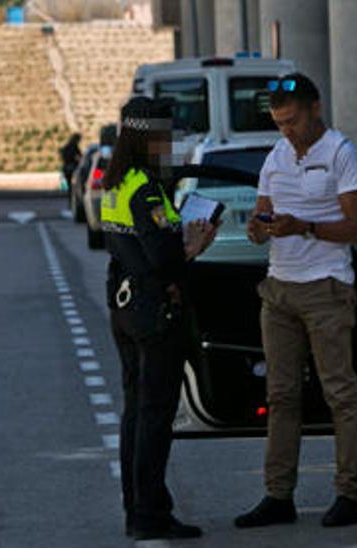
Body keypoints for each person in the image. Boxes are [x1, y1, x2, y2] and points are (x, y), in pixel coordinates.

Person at [235, 72, 357, 529]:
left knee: (339, 392)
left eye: (292, 120)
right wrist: (258, 227)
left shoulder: (341, 154)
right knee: (280, 394)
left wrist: (305, 227)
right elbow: (261, 211)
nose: (286, 130)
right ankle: (278, 495)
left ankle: (349, 493)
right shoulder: (276, 155)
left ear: (315, 110)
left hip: (326, 287)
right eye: (279, 123)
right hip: (279, 287)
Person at [99, 97, 218, 540]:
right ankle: (149, 512)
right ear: (151, 137)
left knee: (136, 412)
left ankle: (138, 507)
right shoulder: (147, 189)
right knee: (155, 417)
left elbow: (126, 249)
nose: (169, 145)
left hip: (125, 307)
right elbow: (164, 257)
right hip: (155, 312)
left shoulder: (117, 182)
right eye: (165, 136)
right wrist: (194, 245)